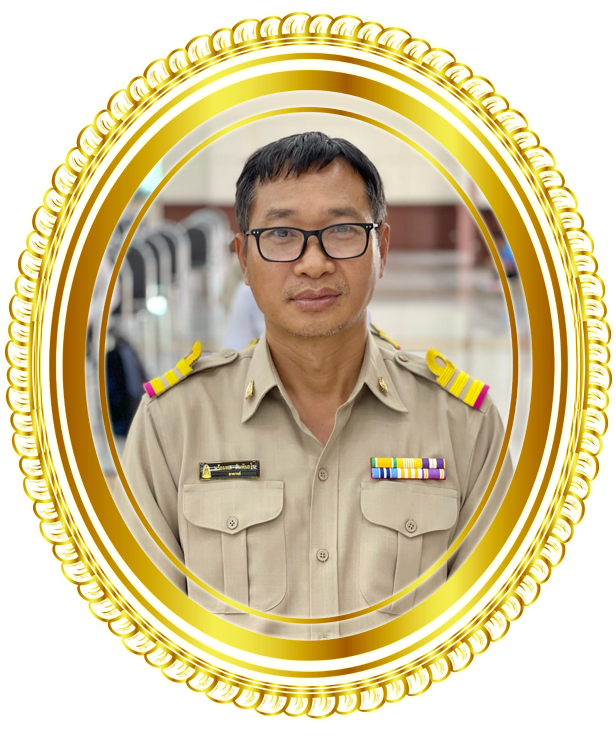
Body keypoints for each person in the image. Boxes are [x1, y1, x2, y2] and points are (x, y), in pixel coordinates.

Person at [115, 132, 512, 639]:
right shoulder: (174, 424)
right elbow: (144, 635)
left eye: (342, 230)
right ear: (244, 259)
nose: (313, 262)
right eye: (281, 234)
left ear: (382, 248)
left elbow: (490, 632)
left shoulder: (462, 425)